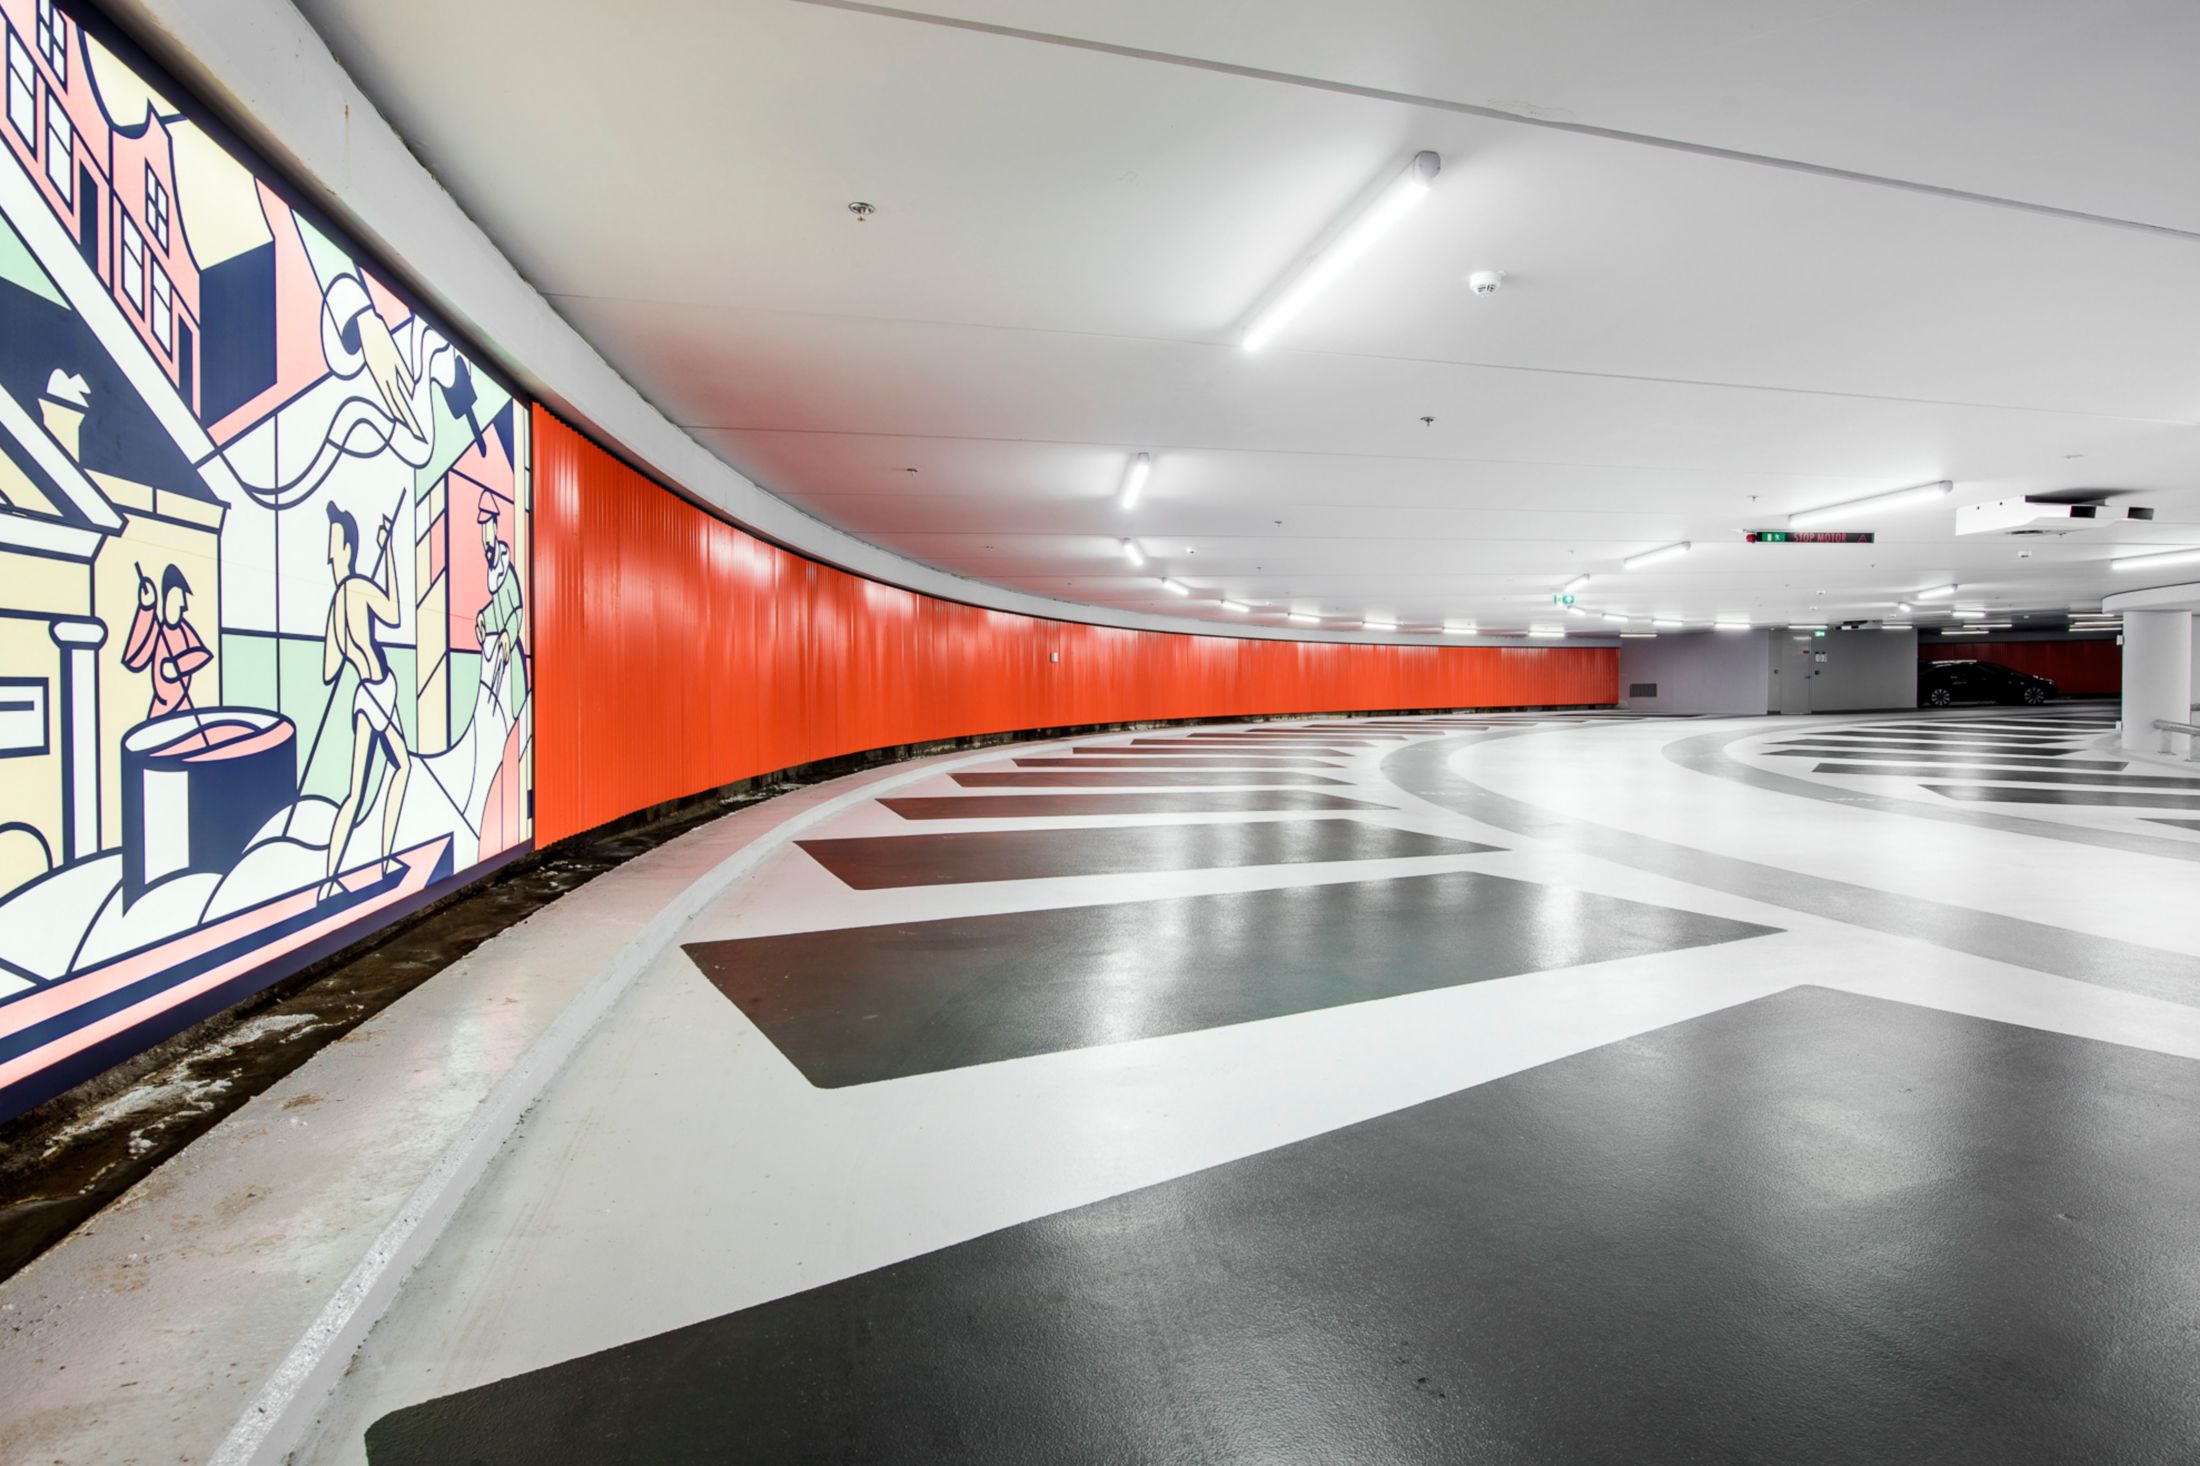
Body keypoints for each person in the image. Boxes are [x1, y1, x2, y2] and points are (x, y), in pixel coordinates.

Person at [320, 501, 409, 896]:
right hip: (380, 688)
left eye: (333, 542)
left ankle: (330, 879)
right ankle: (382, 859)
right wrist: (387, 550)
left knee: (362, 788)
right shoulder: (356, 589)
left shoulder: (336, 606)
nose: (329, 551)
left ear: (346, 549)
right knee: (399, 768)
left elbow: (327, 671)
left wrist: (342, 641)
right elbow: (393, 612)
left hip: (365, 695)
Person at [120, 564, 213, 723]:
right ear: (167, 599)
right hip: (162, 710)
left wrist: (177, 666)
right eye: (179, 599)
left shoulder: (183, 630)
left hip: (183, 706)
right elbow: (135, 659)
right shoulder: (157, 630)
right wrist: (147, 608)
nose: (184, 606)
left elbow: (202, 654)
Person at [473, 489, 525, 715]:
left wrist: (508, 633)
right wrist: (483, 616)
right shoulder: (492, 572)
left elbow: (517, 609)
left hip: (510, 655)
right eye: (482, 529)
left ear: (495, 527)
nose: (485, 538)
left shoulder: (507, 572)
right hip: (496, 654)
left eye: (488, 527)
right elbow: (497, 609)